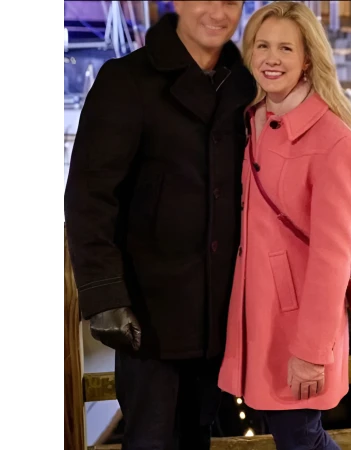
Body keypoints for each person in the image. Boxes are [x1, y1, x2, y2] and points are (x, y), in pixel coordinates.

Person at [64, 2, 255, 449]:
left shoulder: (245, 84)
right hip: (149, 317)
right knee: (149, 440)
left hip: (219, 315)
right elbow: (89, 196)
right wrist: (105, 295)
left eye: (231, 1)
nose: (219, 12)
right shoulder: (126, 80)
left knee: (198, 436)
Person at [218, 3, 351, 450]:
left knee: (301, 439)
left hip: (298, 327)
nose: (271, 58)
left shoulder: (334, 141)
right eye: (262, 45)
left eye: (286, 48)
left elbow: (332, 257)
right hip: (256, 319)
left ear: (307, 59)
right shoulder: (254, 119)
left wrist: (311, 352)